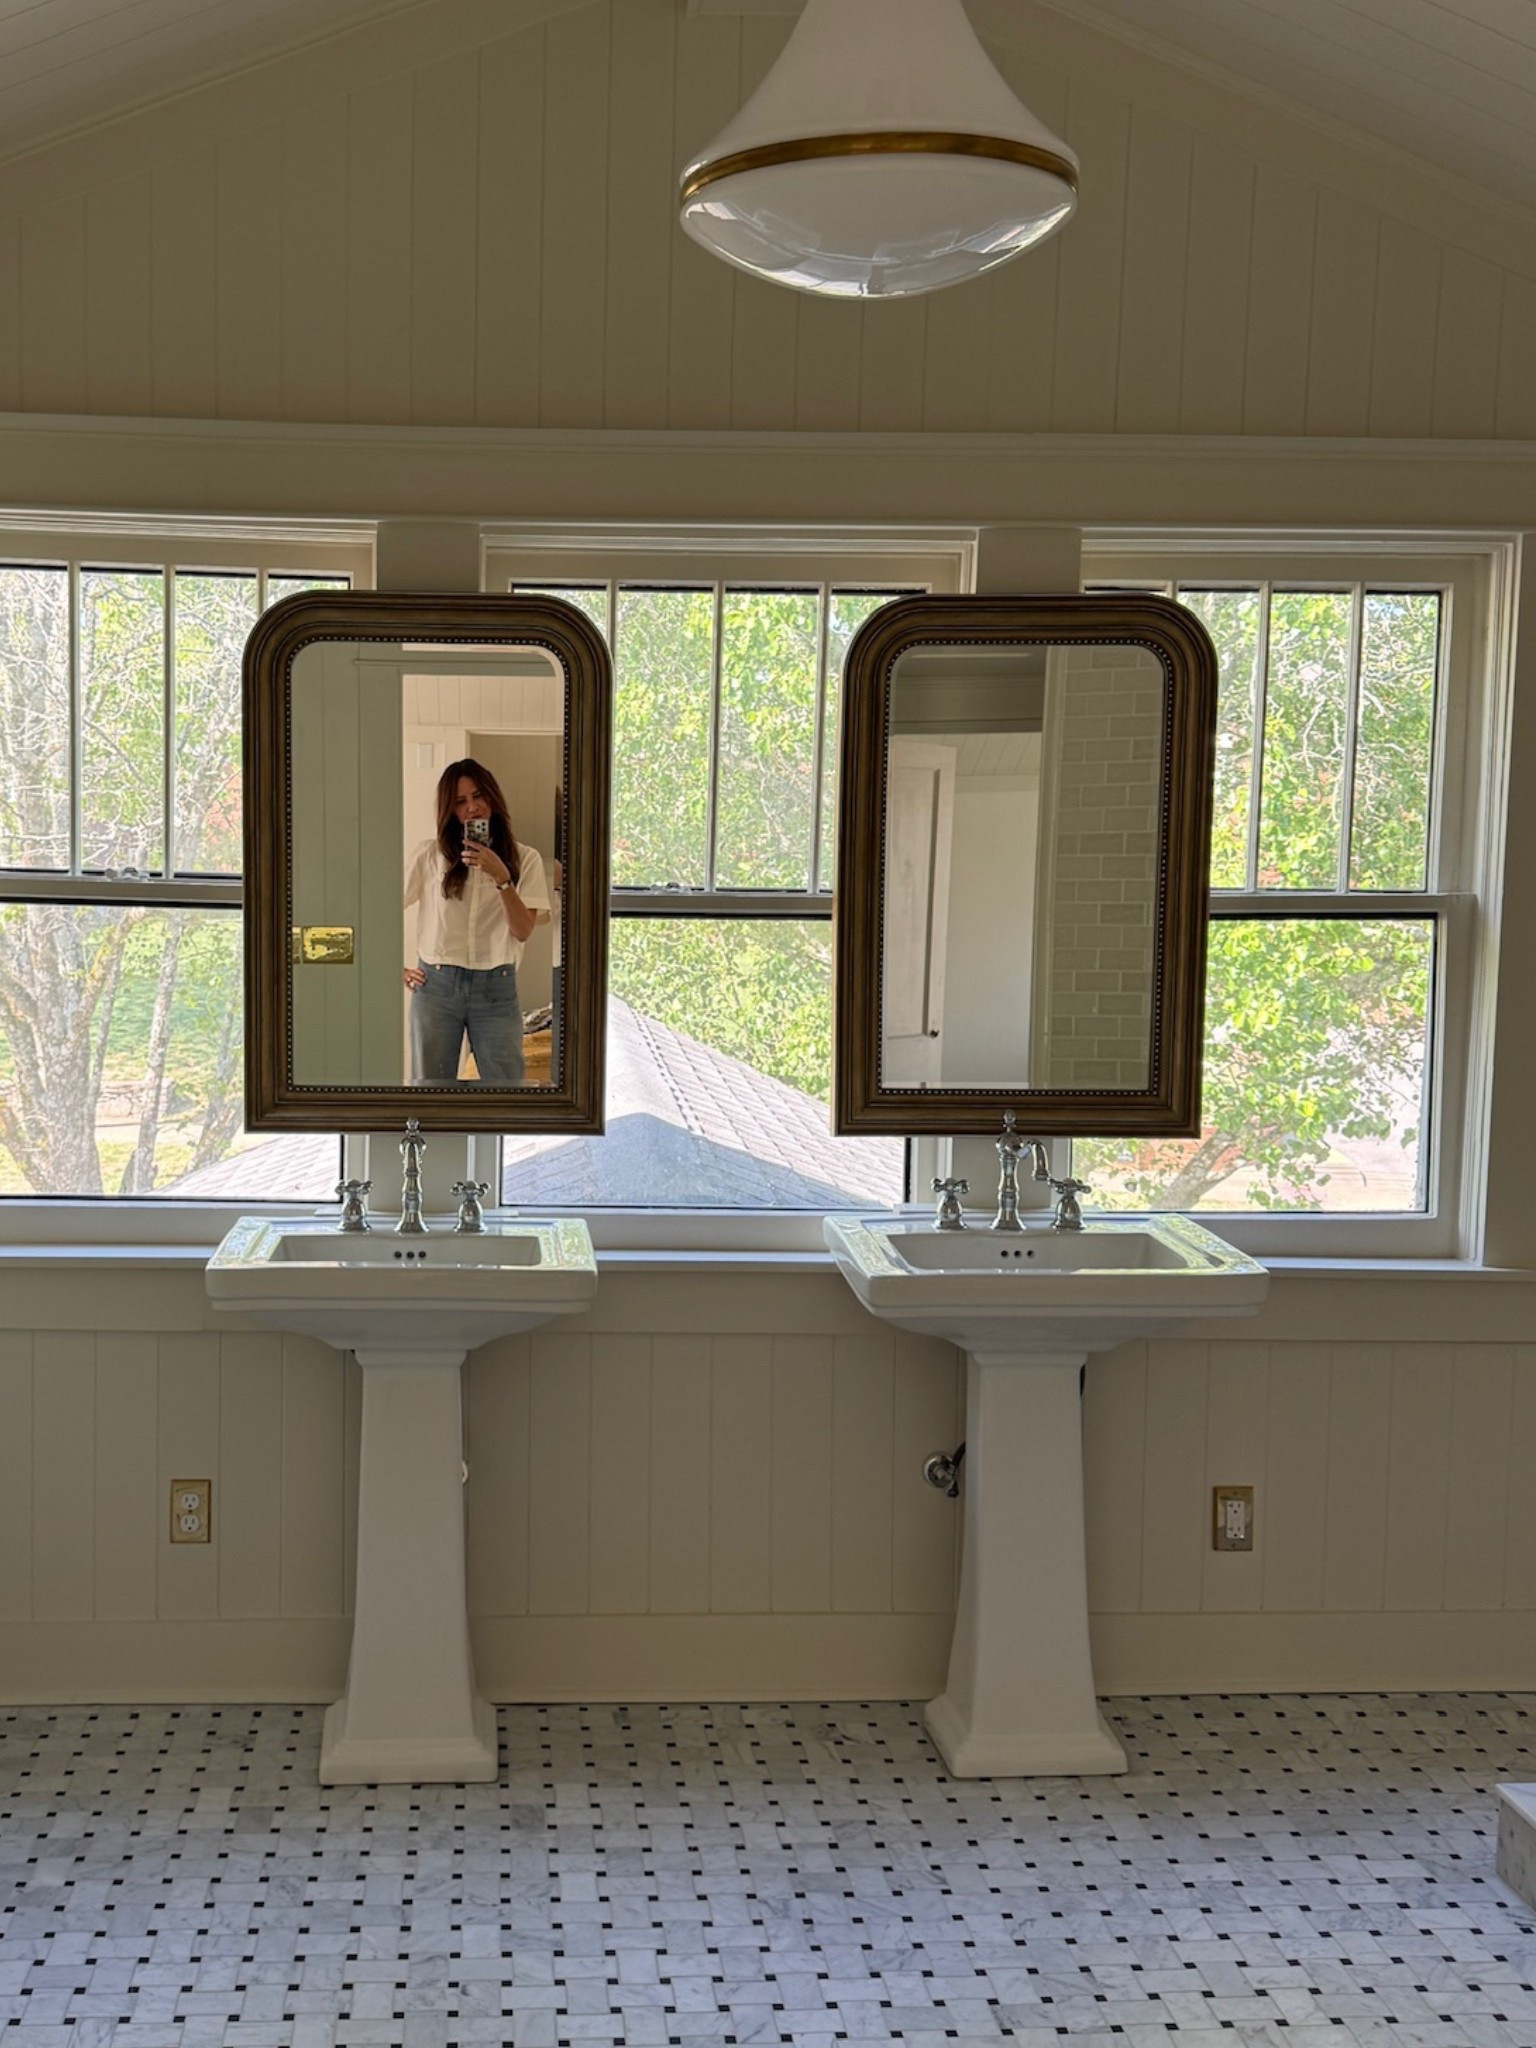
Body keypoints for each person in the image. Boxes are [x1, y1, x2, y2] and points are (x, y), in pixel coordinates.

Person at [403, 759, 550, 1083]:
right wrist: (393, 970)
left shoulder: (526, 859)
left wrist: (501, 877)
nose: (472, 807)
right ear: (450, 811)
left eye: (478, 795)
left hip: (496, 986)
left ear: (492, 797)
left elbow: (523, 930)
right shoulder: (429, 856)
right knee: (431, 1089)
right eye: (460, 801)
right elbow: (381, 909)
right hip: (436, 985)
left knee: (505, 1089)